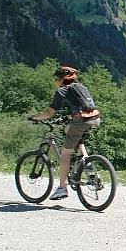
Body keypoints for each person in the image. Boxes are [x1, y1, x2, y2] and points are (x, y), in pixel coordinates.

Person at [29, 66, 101, 200]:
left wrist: (35, 117)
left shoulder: (62, 91)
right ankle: (85, 159)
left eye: (56, 79)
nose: (55, 82)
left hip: (82, 121)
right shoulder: (80, 87)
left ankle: (62, 188)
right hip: (95, 119)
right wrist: (67, 118)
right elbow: (82, 107)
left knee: (65, 153)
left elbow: (49, 113)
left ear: (61, 79)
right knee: (68, 128)